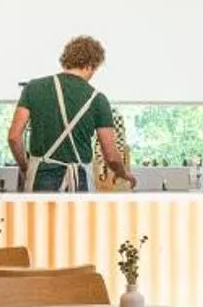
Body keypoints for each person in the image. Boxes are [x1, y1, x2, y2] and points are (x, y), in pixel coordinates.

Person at [9, 35, 132, 191]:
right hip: (79, 182)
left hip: (39, 179)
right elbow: (111, 156)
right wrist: (124, 173)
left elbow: (14, 137)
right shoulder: (98, 100)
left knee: (39, 217)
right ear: (91, 65)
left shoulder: (33, 88)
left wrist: (25, 167)